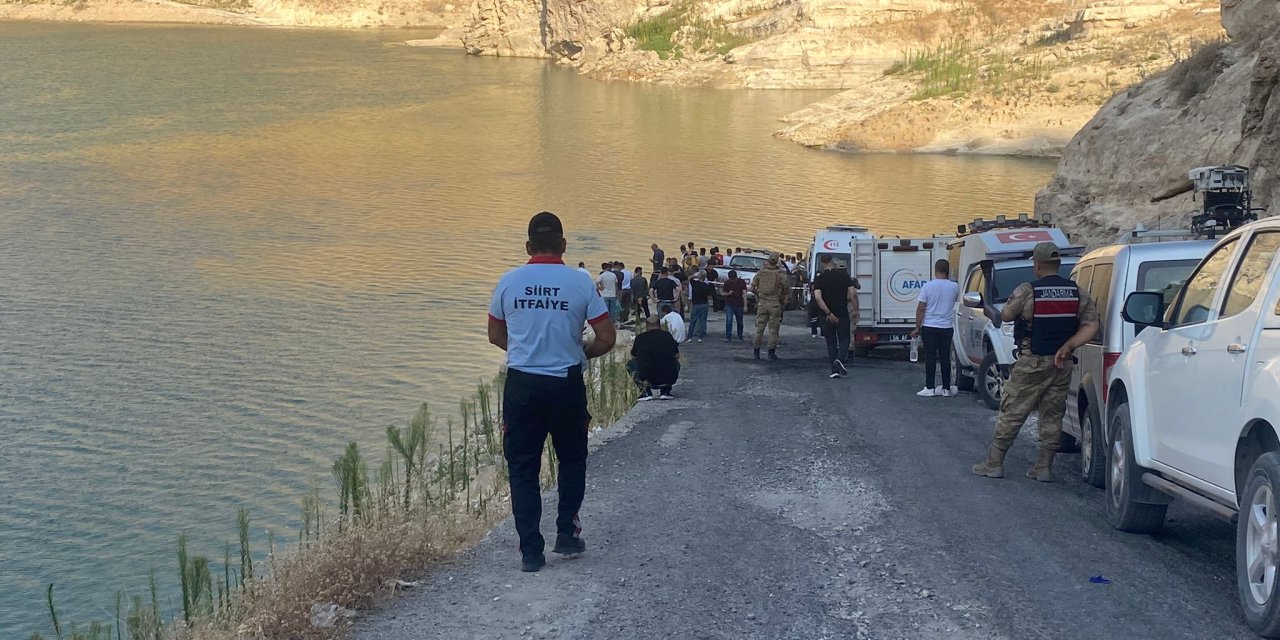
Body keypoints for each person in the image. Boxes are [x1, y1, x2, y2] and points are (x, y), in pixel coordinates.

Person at [487, 211, 616, 573]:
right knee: (572, 460)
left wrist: (527, 351)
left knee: (523, 468)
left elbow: (496, 335)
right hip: (565, 383)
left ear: (527, 247)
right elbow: (607, 337)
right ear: (563, 245)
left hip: (522, 386)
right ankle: (566, 533)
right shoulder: (579, 282)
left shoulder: (509, 282)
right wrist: (581, 352)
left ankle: (531, 551)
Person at [972, 242, 1099, 482]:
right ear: (1058, 265)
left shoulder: (1028, 291)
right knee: (1053, 414)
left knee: (1012, 410)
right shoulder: (1077, 292)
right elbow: (1092, 325)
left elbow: (1006, 316)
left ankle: (994, 463)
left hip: (1032, 361)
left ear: (1037, 265)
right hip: (1061, 363)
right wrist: (1069, 345)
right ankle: (1043, 467)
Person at [911, 259, 961, 397]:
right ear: (948, 270)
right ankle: (946, 388)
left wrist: (917, 327)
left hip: (930, 326)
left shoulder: (928, 286)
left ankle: (930, 387)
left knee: (930, 357)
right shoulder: (954, 287)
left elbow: (921, 308)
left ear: (935, 270)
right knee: (945, 357)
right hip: (946, 326)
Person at [812, 254, 859, 378]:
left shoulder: (820, 279)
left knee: (831, 342)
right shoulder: (844, 276)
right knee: (844, 339)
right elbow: (853, 294)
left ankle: (834, 370)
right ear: (832, 262)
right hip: (842, 313)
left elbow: (818, 297)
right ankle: (840, 359)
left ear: (822, 263)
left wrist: (828, 313)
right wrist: (856, 310)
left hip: (826, 316)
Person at [630, 316, 680, 400]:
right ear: (659, 325)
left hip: (647, 378)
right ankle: (665, 391)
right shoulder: (667, 336)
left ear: (646, 326)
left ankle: (645, 391)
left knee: (631, 364)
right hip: (667, 377)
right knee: (676, 363)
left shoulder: (640, 338)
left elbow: (633, 356)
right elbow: (677, 355)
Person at [750, 253, 788, 361]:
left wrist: (759, 295)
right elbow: (786, 288)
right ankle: (771, 353)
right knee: (773, 330)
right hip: (774, 303)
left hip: (762, 303)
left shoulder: (760, 273)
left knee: (759, 329)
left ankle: (756, 353)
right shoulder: (780, 274)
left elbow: (752, 288)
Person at [722, 269, 747, 342]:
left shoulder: (741, 282)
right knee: (729, 320)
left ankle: (740, 335)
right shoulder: (727, 283)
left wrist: (745, 305)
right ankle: (728, 336)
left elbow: (744, 293)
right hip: (729, 304)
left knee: (740, 321)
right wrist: (728, 293)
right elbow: (723, 293)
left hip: (739, 304)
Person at [688, 271, 713, 342]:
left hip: (696, 304)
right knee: (703, 321)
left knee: (693, 321)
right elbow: (709, 296)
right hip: (704, 304)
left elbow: (690, 278)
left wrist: (695, 276)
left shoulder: (694, 283)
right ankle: (700, 337)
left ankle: (690, 337)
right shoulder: (707, 286)